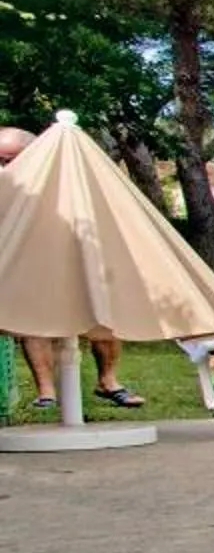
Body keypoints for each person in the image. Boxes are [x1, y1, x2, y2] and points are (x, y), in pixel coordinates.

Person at [0, 124, 142, 410]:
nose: (6, 166)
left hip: (78, 259)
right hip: (29, 265)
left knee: (102, 319)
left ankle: (108, 381)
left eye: (11, 159)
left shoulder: (67, 178)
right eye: (2, 160)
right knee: (32, 323)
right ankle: (46, 392)